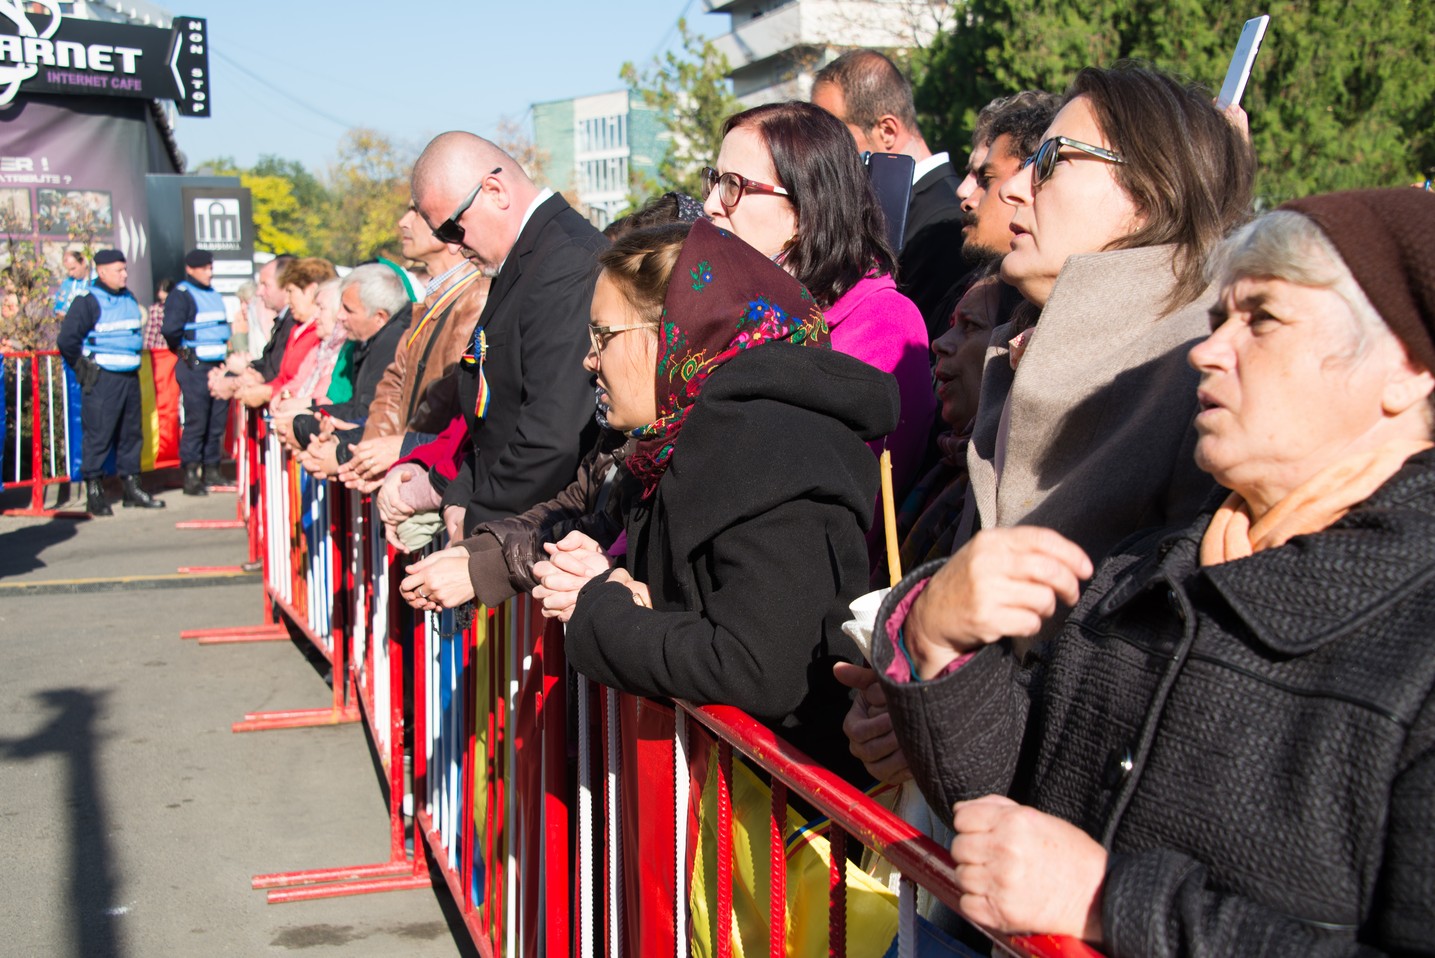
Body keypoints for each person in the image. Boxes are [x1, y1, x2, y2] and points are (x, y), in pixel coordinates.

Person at [873, 187, 1435, 956]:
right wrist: (938, 641)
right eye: (1216, 320)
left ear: (1406, 371)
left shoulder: (1416, 642)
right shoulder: (1145, 566)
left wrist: (1111, 902)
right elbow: (1007, 817)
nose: (1207, 350)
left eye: (1261, 319)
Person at [841, 62, 1255, 786]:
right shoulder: (1025, 357)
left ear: (1151, 190)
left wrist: (936, 691)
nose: (1011, 186)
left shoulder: (1207, 377)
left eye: (1054, 160)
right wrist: (911, 699)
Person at [530, 219, 897, 781]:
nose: (588, 359)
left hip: (779, 827)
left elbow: (758, 666)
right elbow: (703, 598)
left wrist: (599, 606)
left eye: (603, 336)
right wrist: (615, 579)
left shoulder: (769, 443)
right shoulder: (687, 440)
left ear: (677, 331)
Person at [703, 101, 934, 517]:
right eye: (713, 181)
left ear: (805, 210)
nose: (711, 205)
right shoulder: (734, 313)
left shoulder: (883, 326)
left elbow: (840, 516)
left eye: (733, 185)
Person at [408, 132, 608, 538]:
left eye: (452, 228)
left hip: (545, 537)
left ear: (495, 190)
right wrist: (461, 494)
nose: (452, 246)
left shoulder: (564, 261)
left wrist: (478, 529)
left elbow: (553, 436)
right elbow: (494, 416)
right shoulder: (528, 255)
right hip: (517, 527)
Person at [811, 49, 966, 335]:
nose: (824, 153)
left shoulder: (947, 222)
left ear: (887, 131)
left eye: (834, 136)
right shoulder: (881, 213)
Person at [341, 203, 488, 491]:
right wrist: (371, 455)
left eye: (417, 212)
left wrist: (404, 450)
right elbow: (393, 382)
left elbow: (448, 394)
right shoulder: (432, 299)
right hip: (412, 465)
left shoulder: (476, 296)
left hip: (433, 474)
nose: (402, 222)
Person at [56, 249, 165, 515]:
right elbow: (67, 340)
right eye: (119, 270)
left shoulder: (128, 297)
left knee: (131, 435)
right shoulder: (88, 301)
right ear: (102, 272)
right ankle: (94, 492)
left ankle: (132, 488)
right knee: (98, 436)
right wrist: (82, 368)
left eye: (125, 269)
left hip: (129, 376)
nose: (125, 275)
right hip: (103, 377)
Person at [290, 263, 413, 476]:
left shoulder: (391, 344)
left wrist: (316, 425)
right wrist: (316, 417)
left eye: (348, 309)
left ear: (380, 317)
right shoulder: (372, 340)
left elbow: (369, 415)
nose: (340, 316)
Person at [162, 249, 232, 495]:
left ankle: (212, 469)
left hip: (217, 365)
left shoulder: (212, 294)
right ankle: (191, 475)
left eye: (210, 267)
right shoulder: (181, 295)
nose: (208, 272)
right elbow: (170, 331)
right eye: (204, 268)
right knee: (197, 421)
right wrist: (184, 355)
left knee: (216, 421)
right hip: (195, 367)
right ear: (190, 269)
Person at [237, 257, 337, 408]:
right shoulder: (296, 328)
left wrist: (268, 392)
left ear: (310, 290)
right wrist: (259, 379)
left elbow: (310, 386)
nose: (288, 300)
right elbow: (287, 378)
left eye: (291, 292)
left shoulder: (321, 332)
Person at [52, 248, 92, 317]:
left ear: (83, 263)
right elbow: (58, 306)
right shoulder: (67, 284)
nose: (70, 273)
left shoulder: (96, 282)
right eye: (68, 270)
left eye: (73, 269)